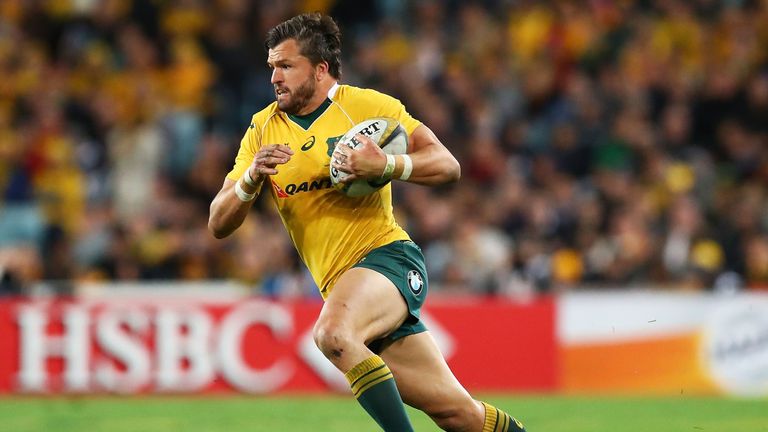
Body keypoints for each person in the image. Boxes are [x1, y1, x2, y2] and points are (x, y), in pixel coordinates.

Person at [208, 12, 526, 432]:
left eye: (285, 66)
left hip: (388, 260)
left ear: (320, 70)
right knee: (459, 414)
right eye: (272, 67)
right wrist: (250, 179)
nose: (275, 78)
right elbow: (218, 221)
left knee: (332, 334)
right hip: (341, 287)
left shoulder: (367, 107)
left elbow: (447, 165)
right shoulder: (263, 129)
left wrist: (388, 164)